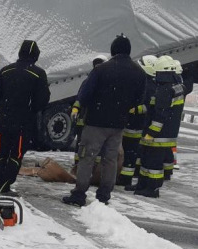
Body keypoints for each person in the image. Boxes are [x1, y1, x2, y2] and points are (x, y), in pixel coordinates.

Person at [62, 34, 145, 206]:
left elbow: (86, 92)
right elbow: (139, 99)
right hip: (119, 124)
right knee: (111, 159)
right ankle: (104, 195)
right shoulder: (139, 73)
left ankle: (79, 194)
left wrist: (78, 106)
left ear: (113, 50)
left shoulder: (101, 70)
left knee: (87, 157)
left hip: (95, 123)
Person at [0, 40, 50, 193]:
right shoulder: (38, 74)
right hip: (23, 122)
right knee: (16, 154)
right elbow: (42, 100)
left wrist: (3, 107)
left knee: (1, 150)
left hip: (4, 119)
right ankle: (5, 185)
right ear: (36, 56)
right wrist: (31, 110)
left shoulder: (5, 70)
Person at [134, 56, 184, 197]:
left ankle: (152, 189)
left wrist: (151, 132)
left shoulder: (165, 89)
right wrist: (138, 110)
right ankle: (142, 185)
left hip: (159, 135)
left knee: (152, 164)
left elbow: (160, 114)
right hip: (168, 133)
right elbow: (154, 107)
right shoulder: (176, 87)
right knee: (147, 160)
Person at [117, 55, 157, 187]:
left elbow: (146, 106)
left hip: (135, 124)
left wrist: (133, 109)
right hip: (138, 124)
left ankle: (125, 178)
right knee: (133, 151)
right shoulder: (151, 83)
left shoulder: (147, 85)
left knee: (130, 151)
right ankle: (131, 174)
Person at [71, 55, 107, 169]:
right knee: (88, 145)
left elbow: (81, 97)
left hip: (89, 119)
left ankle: (84, 167)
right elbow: (81, 97)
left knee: (86, 145)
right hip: (89, 119)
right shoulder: (94, 81)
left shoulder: (90, 80)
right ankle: (83, 167)